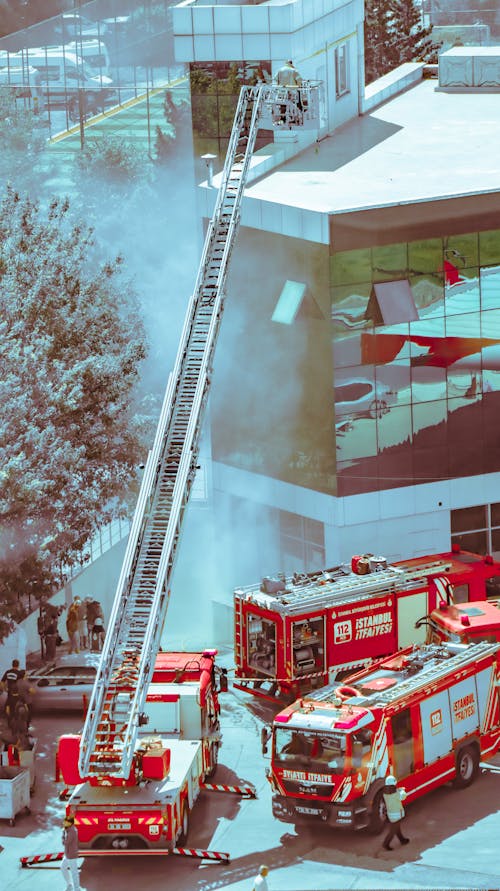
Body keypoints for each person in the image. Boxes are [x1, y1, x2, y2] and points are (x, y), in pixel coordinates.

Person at [382, 774, 409, 850]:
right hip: (397, 814)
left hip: (391, 814)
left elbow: (395, 793)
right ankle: (386, 844)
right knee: (393, 831)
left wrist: (398, 790)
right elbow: (403, 796)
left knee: (397, 828)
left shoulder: (385, 793)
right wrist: (402, 790)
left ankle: (402, 840)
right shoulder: (395, 793)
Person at [61, 813, 83, 891]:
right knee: (63, 867)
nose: (64, 823)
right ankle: (69, 884)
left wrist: (63, 835)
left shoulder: (72, 831)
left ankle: (76, 889)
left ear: (70, 823)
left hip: (71, 855)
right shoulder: (68, 829)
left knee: (74, 872)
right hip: (67, 854)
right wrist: (64, 832)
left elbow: (66, 842)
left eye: (65, 822)